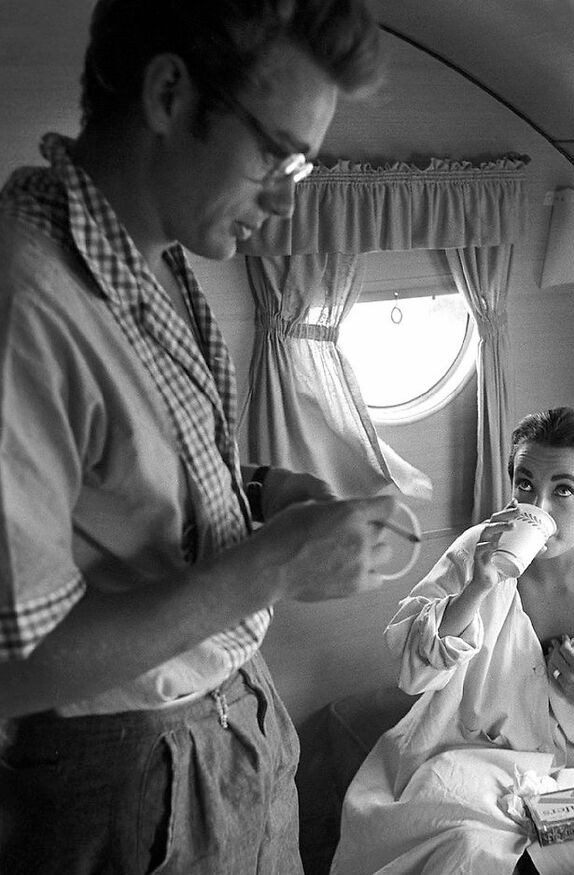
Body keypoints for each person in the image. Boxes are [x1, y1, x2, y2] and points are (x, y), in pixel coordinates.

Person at [0, 1, 393, 873]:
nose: (288, 203)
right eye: (277, 153)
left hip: (235, 718)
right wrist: (275, 565)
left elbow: (112, 483)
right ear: (170, 93)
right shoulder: (27, 301)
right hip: (128, 769)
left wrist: (255, 493)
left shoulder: (159, 256)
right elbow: (13, 665)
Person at [331, 407, 574, 875]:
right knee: (465, 852)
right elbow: (412, 670)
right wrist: (479, 587)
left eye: (563, 490)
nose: (537, 507)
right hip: (470, 761)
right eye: (525, 484)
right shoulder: (477, 551)